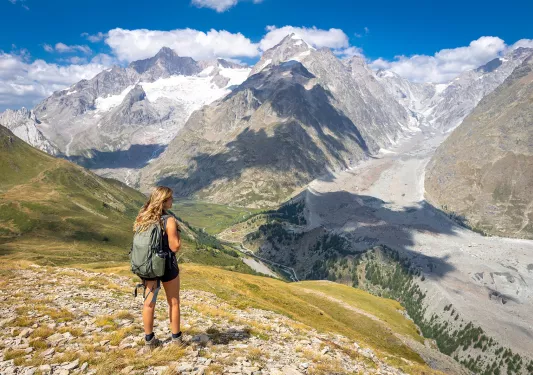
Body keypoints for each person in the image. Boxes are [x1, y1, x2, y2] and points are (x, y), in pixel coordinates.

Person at [133, 186, 182, 347]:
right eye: (170, 198)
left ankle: (149, 340)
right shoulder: (168, 220)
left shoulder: (142, 218)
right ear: (164, 201)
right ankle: (176, 340)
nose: (172, 200)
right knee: (173, 302)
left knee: (149, 303)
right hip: (167, 265)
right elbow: (174, 247)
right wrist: (178, 235)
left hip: (148, 266)